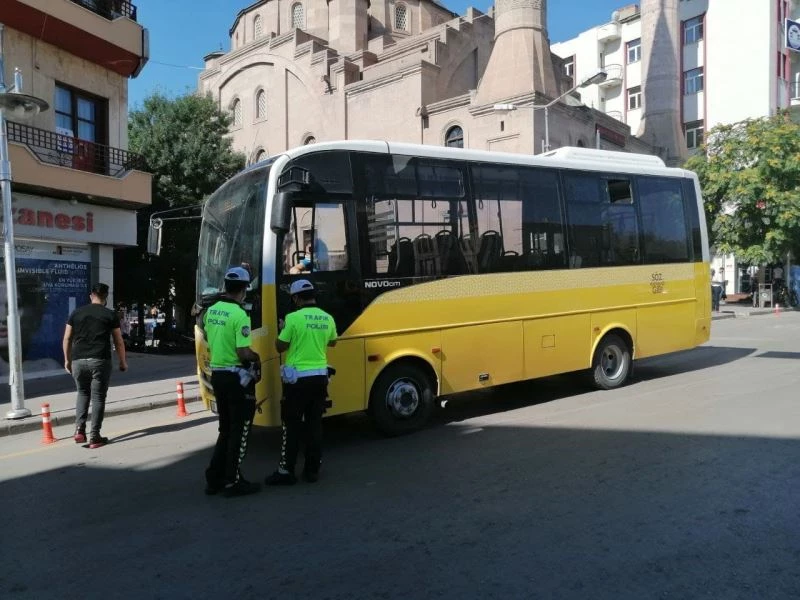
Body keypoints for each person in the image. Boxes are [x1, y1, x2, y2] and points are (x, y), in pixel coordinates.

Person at [266, 279, 337, 485]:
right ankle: (312, 470)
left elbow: (280, 347)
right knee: (315, 424)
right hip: (320, 379)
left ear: (296, 298)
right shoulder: (327, 318)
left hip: (296, 381)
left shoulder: (292, 319)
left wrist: (282, 329)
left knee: (292, 425)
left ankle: (286, 471)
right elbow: (332, 341)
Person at [203, 266, 262, 497]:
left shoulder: (211, 311)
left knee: (225, 429)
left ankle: (214, 478)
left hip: (217, 375)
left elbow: (208, 337)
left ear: (226, 286)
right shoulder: (240, 315)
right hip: (236, 377)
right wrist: (257, 357)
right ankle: (233, 480)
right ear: (244, 289)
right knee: (240, 428)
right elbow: (243, 352)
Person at [63, 283, 128, 449]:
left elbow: (67, 338)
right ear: (106, 297)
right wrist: (122, 361)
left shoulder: (76, 313)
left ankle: (79, 430)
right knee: (98, 397)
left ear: (91, 295)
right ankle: (94, 436)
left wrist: (67, 360)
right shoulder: (109, 315)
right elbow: (118, 341)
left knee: (82, 393)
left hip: (78, 360)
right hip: (100, 360)